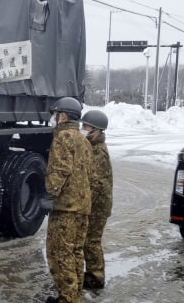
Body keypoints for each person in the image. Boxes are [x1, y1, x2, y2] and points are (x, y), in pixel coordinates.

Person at [40, 97, 92, 303]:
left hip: (66, 208)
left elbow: (60, 169)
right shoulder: (84, 140)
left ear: (63, 116)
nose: (54, 119)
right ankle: (74, 294)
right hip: (81, 208)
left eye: (56, 115)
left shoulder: (63, 137)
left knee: (60, 254)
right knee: (76, 252)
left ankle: (67, 299)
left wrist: (49, 195)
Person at [80, 110, 112, 290]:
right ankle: (92, 274)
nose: (82, 129)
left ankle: (96, 277)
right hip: (94, 203)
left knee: (91, 241)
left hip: (98, 205)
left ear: (97, 130)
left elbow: (94, 182)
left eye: (86, 126)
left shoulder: (99, 151)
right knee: (87, 241)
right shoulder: (91, 146)